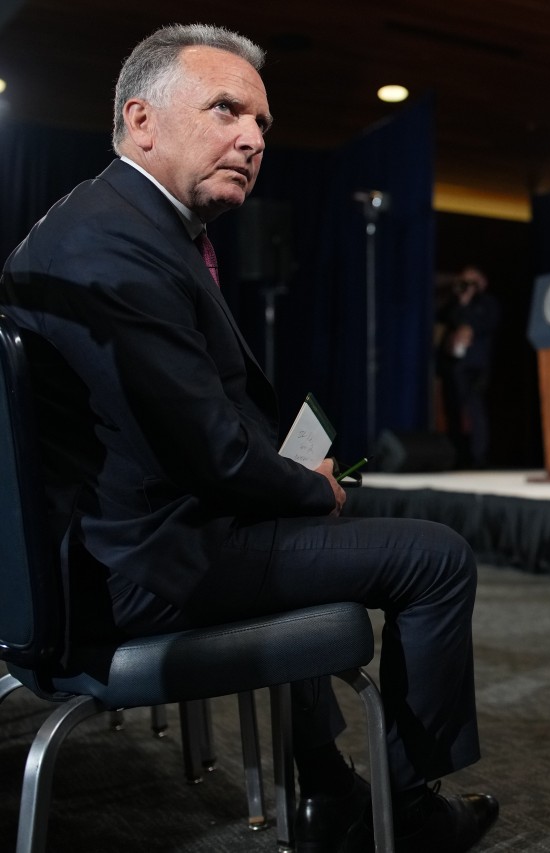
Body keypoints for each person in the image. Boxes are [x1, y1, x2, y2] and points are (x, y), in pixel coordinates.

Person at [0, 24, 498, 853]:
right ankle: (409, 817)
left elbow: (182, 427)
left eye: (262, 123)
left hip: (114, 545)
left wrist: (283, 481)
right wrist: (312, 487)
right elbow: (212, 455)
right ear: (141, 120)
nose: (254, 138)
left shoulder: (109, 222)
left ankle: (329, 791)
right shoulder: (116, 248)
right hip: (135, 571)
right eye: (226, 110)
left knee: (296, 519)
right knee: (437, 558)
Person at [436, 265, 499, 468]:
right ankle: (457, 455)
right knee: (453, 409)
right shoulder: (455, 304)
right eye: (465, 281)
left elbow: (488, 323)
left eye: (472, 281)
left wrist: (469, 308)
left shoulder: (487, 303)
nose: (467, 285)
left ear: (482, 283)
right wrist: (461, 300)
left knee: (474, 409)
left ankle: (478, 456)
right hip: (454, 364)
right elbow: (443, 318)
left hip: (476, 366)